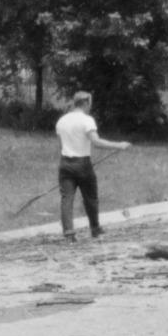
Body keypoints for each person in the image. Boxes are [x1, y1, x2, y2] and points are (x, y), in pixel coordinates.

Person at [54, 91, 131, 242]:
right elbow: (96, 142)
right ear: (85, 103)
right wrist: (119, 145)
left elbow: (62, 146)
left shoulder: (61, 121)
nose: (90, 106)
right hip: (83, 164)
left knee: (66, 199)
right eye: (90, 103)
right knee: (90, 198)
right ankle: (95, 228)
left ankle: (69, 233)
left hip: (65, 164)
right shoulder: (87, 120)